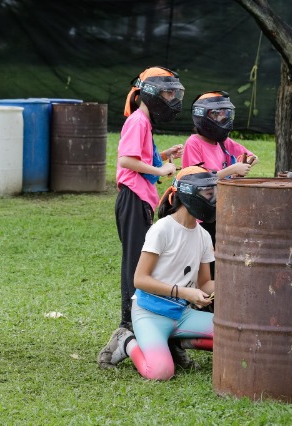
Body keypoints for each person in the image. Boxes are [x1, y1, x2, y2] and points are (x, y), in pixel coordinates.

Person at [98, 66, 192, 369]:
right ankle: (128, 323)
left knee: (142, 260)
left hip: (139, 201)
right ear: (150, 94)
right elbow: (125, 160)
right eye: (167, 93)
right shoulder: (138, 121)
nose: (171, 98)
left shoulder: (144, 123)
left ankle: (138, 321)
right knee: (136, 263)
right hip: (132, 199)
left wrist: (163, 156)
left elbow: (140, 157)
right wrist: (161, 170)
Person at [96, 166, 217, 380]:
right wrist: (185, 293)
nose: (213, 198)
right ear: (189, 193)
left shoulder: (203, 236)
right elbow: (140, 279)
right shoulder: (162, 229)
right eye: (208, 193)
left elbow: (205, 283)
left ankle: (174, 342)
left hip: (182, 315)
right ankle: (126, 341)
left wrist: (235, 285)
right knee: (161, 373)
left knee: (233, 339)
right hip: (149, 314)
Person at [182, 90, 258, 279]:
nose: (223, 119)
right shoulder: (194, 143)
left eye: (226, 114)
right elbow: (198, 181)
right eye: (217, 114)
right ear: (202, 117)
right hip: (201, 215)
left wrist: (244, 164)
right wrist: (232, 170)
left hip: (220, 212)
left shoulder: (223, 143)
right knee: (204, 266)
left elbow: (253, 157)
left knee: (219, 263)